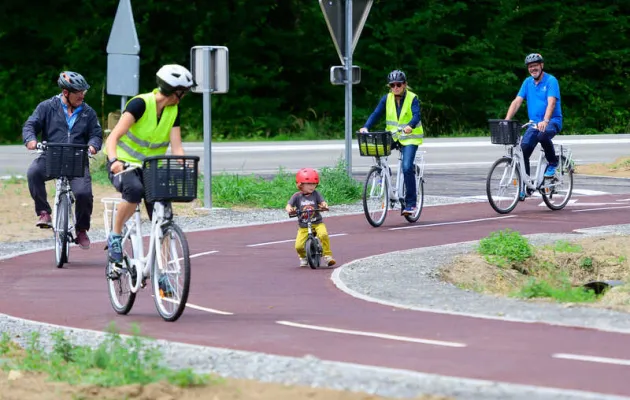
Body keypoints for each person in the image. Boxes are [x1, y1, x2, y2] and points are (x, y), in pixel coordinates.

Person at [104, 64, 194, 267]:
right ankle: (115, 236)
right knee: (134, 191)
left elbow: (177, 147)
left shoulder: (173, 110)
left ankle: (161, 272)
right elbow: (113, 138)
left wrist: (185, 164)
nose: (185, 95)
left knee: (163, 214)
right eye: (184, 92)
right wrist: (113, 161)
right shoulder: (140, 104)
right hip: (124, 164)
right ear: (175, 91)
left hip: (151, 168)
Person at [23, 71, 103, 249]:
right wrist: (30, 139)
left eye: (84, 92)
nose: (82, 95)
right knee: (33, 172)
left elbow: (96, 134)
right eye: (78, 92)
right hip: (51, 156)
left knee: (83, 194)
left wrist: (93, 146)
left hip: (77, 159)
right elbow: (31, 124)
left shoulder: (88, 113)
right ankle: (44, 213)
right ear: (66, 93)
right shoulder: (47, 107)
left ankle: (81, 229)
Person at [359, 69, 423, 215]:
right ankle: (384, 172)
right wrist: (366, 126)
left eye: (398, 84)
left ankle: (411, 204)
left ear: (405, 84)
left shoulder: (412, 98)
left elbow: (416, 115)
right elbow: (376, 113)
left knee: (407, 167)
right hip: (393, 136)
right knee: (378, 154)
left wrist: (410, 126)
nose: (395, 87)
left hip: (410, 138)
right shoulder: (386, 98)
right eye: (392, 85)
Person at [504, 53, 563, 198]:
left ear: (541, 66)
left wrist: (546, 120)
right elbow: (517, 101)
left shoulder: (551, 81)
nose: (533, 68)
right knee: (523, 150)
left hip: (552, 121)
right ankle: (527, 186)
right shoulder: (527, 82)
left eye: (535, 65)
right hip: (533, 124)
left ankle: (553, 163)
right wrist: (506, 120)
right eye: (530, 67)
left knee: (543, 135)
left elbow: (552, 102)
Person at [285, 168, 336, 267]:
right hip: (303, 226)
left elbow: (323, 202)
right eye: (309, 184)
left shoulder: (316, 194)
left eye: (314, 184)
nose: (312, 186)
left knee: (324, 235)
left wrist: (324, 206)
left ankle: (327, 256)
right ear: (300, 184)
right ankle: (303, 257)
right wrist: (290, 209)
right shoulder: (297, 196)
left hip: (317, 223)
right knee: (298, 246)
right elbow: (288, 205)